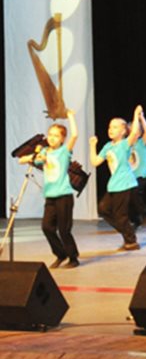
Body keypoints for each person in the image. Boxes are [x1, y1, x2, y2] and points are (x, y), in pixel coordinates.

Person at [18, 110, 80, 268]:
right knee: (47, 227)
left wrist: (70, 116)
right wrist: (34, 157)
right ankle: (60, 254)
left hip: (64, 195)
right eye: (50, 134)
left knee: (64, 230)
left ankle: (73, 258)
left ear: (62, 139)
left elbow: (74, 135)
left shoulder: (64, 151)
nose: (52, 138)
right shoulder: (44, 151)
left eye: (56, 136)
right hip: (50, 196)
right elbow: (24, 160)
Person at [90, 106, 143, 250]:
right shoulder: (108, 146)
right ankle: (128, 230)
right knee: (103, 209)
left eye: (115, 127)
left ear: (123, 131)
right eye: (109, 127)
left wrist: (136, 114)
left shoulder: (125, 144)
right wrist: (92, 145)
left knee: (120, 215)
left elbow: (135, 133)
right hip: (114, 184)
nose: (110, 129)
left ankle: (131, 241)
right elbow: (95, 162)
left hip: (125, 183)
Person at [128, 106, 146, 228]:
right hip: (130, 176)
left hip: (141, 175)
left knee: (136, 194)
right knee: (129, 198)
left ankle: (143, 213)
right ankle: (135, 220)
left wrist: (141, 117)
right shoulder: (126, 144)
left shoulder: (141, 143)